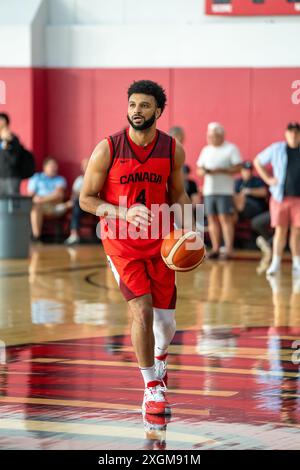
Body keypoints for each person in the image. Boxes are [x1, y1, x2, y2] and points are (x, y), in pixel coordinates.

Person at [80, 80, 195, 415]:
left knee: (167, 324)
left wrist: (190, 229)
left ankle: (161, 356)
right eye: (132, 105)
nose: (137, 111)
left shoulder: (173, 149)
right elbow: (86, 199)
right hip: (121, 244)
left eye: (144, 106)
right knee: (141, 311)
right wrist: (121, 212)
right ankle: (151, 386)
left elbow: (179, 194)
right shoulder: (108, 148)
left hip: (162, 243)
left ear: (158, 111)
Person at [254, 122, 300, 276]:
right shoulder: (277, 149)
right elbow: (257, 161)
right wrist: (268, 179)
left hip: (298, 200)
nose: (293, 136)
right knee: (280, 231)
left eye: (296, 133)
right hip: (280, 198)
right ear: (286, 134)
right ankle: (275, 263)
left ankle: (297, 264)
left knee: (296, 233)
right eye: (291, 132)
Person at [196, 122, 242, 259]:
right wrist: (205, 171)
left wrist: (221, 170)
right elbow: (198, 170)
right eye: (209, 136)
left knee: (225, 218)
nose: (211, 139)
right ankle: (215, 248)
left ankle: (228, 249)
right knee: (211, 219)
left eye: (214, 136)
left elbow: (238, 168)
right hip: (209, 190)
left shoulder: (231, 148)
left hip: (225, 191)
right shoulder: (206, 150)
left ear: (221, 135)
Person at [28, 158, 67, 241]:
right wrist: (38, 200)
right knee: (35, 207)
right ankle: (37, 236)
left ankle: (36, 237)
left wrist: (42, 199)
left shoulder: (60, 179)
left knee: (36, 206)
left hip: (54, 206)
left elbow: (59, 195)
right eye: (52, 166)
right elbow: (31, 195)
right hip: (38, 205)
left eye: (55, 166)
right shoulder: (36, 177)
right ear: (45, 167)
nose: (54, 168)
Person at [53, 158, 89, 245]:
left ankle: (66, 206)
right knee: (76, 204)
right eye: (84, 166)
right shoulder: (79, 180)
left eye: (88, 165)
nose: (86, 167)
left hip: (94, 205)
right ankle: (74, 235)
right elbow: (74, 194)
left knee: (76, 203)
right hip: (81, 205)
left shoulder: (97, 178)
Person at [0, 112, 23, 195]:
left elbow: (14, 159)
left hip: (11, 177)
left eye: (1, 120)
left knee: (12, 204)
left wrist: (6, 142)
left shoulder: (13, 139)